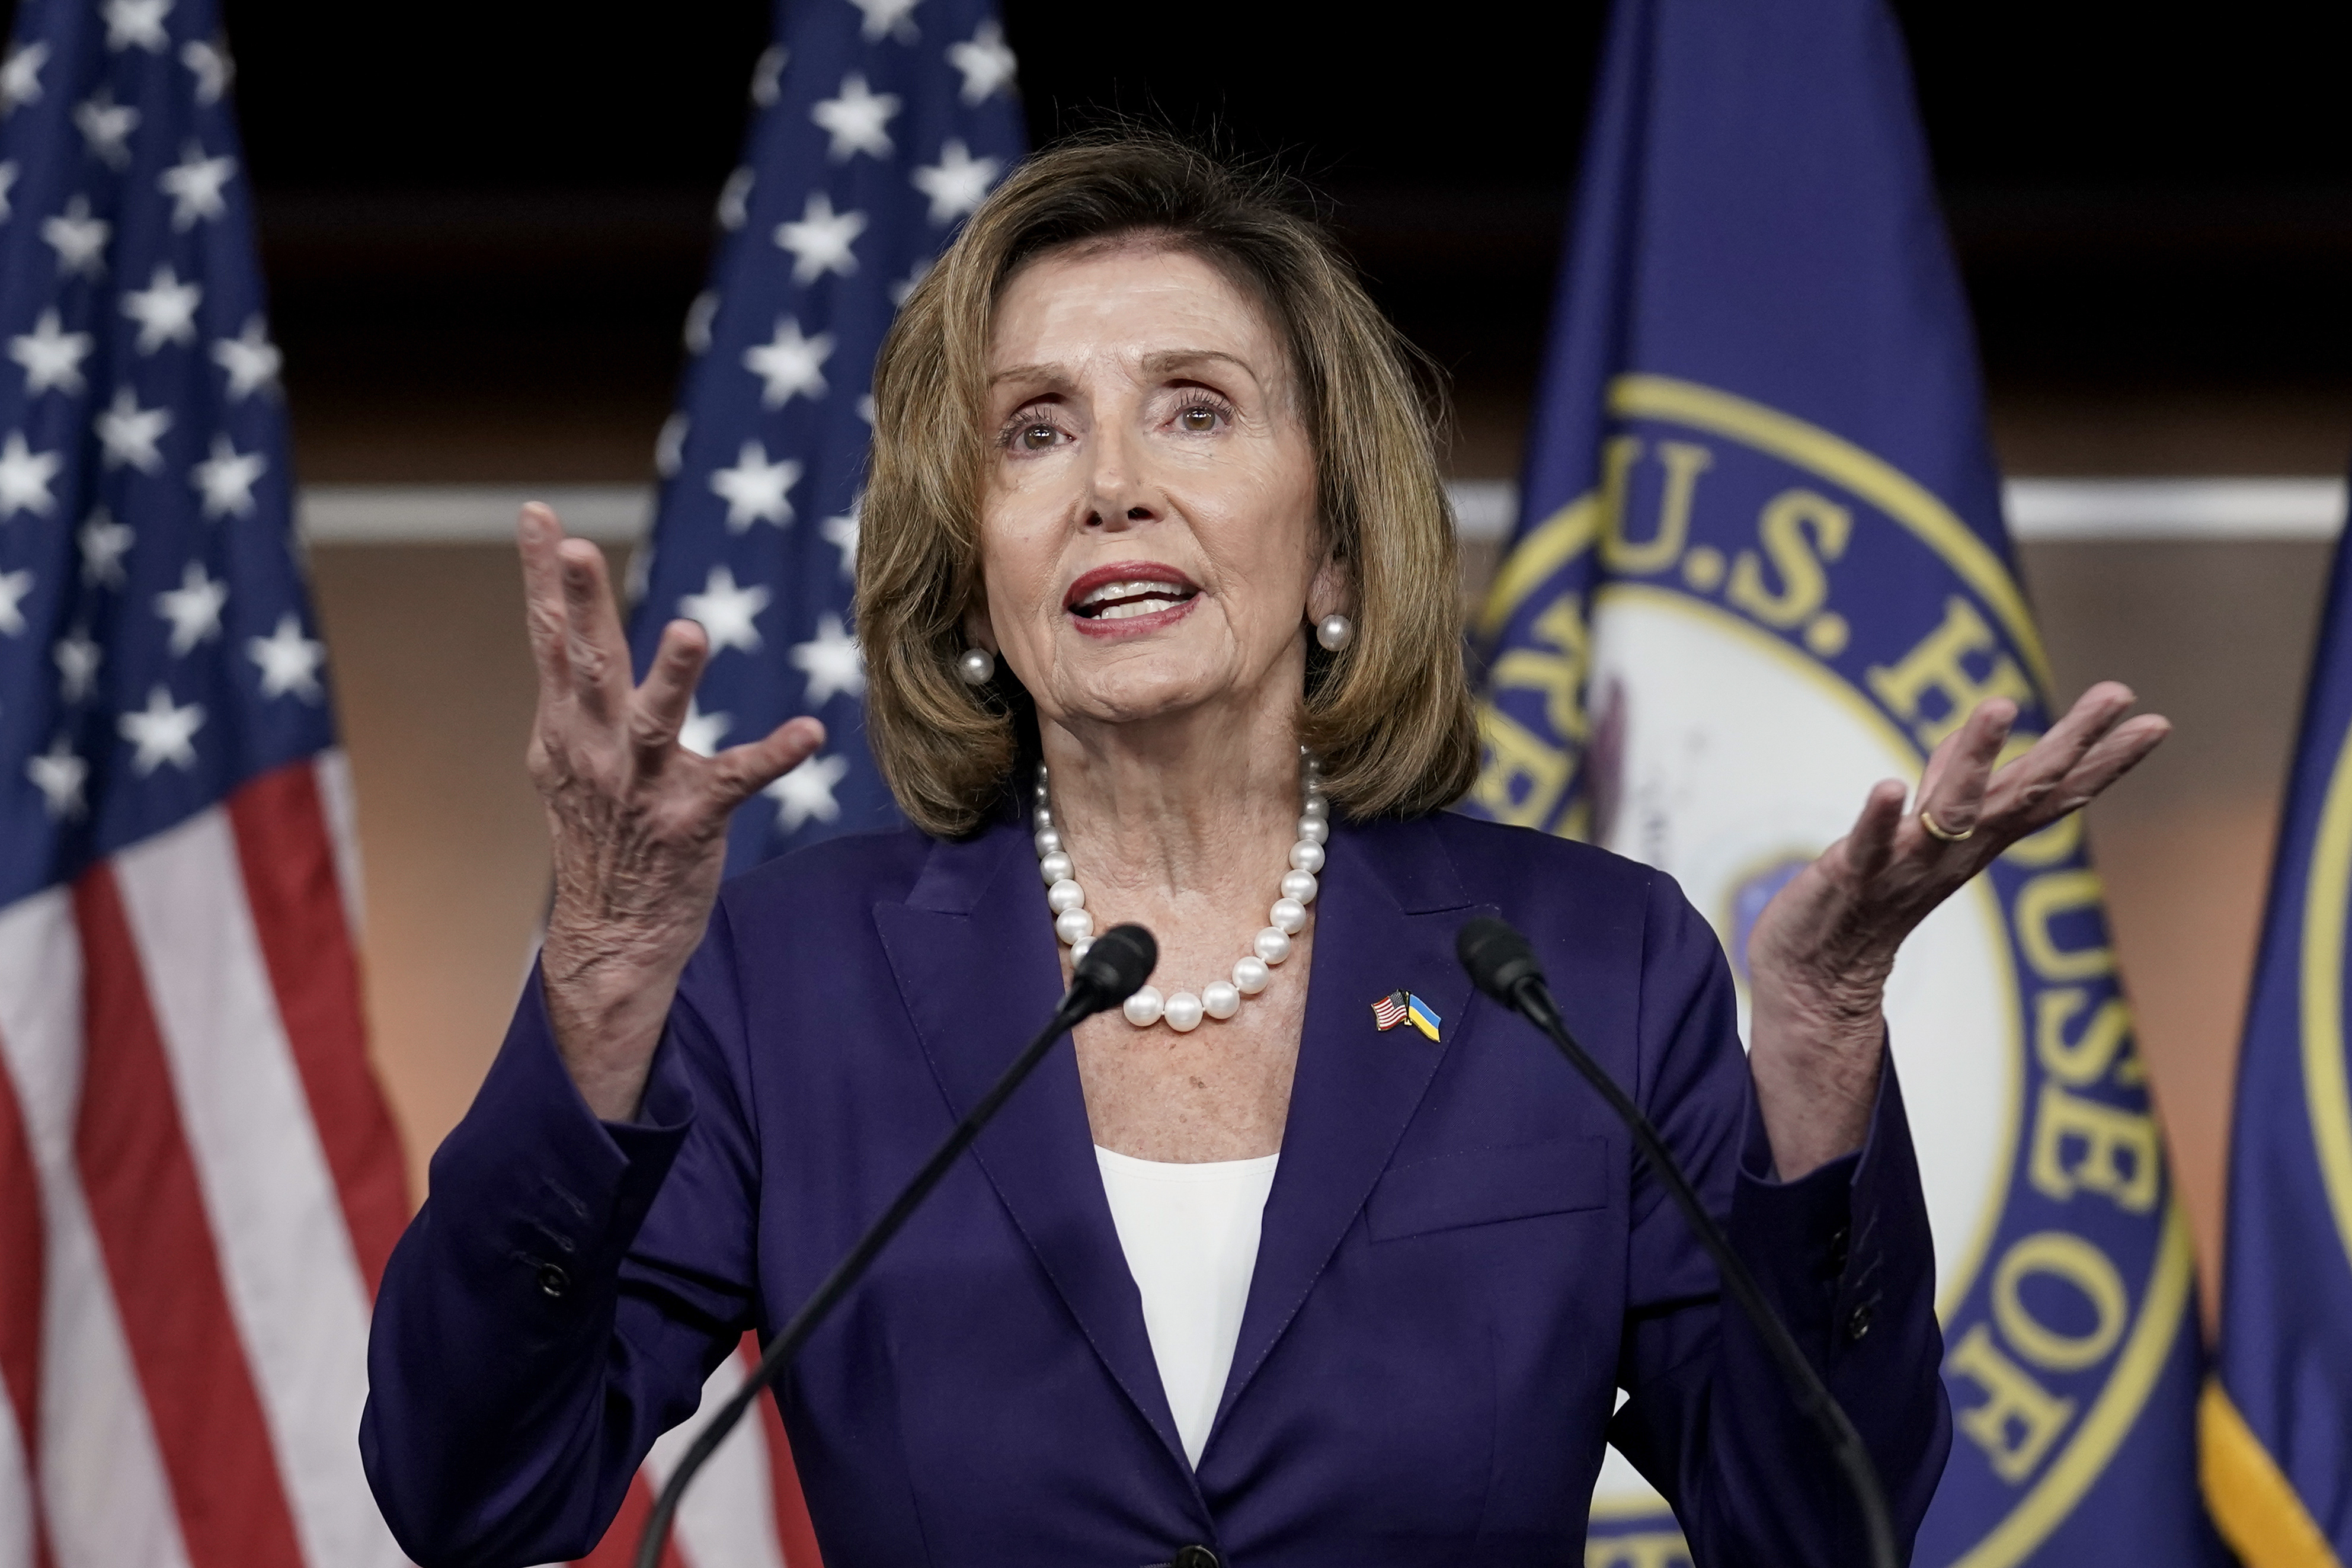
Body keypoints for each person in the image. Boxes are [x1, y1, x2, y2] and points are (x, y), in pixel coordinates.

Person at [360, 136, 2169, 1568]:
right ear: (975, 567)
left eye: (1195, 409)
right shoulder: (788, 979)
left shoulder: (1582, 964)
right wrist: (595, 992)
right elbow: (472, 1496)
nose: (1109, 482)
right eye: (1033, 431)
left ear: (1331, 551)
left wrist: (1827, 1034)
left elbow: (1815, 1533)